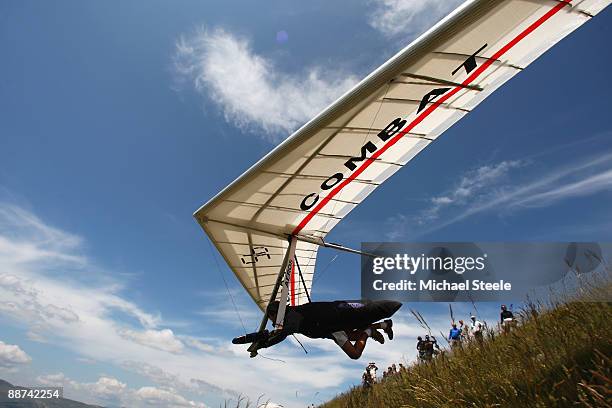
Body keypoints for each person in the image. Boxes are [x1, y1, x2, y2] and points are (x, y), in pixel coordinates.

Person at [244, 300, 401, 359]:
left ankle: (370, 331)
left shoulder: (293, 315)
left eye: (271, 318)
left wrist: (262, 345)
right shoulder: (291, 317)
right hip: (330, 330)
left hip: (333, 324)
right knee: (354, 337)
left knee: (354, 353)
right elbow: (278, 332)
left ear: (276, 313)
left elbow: (282, 334)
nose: (272, 322)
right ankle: (383, 325)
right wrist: (259, 342)